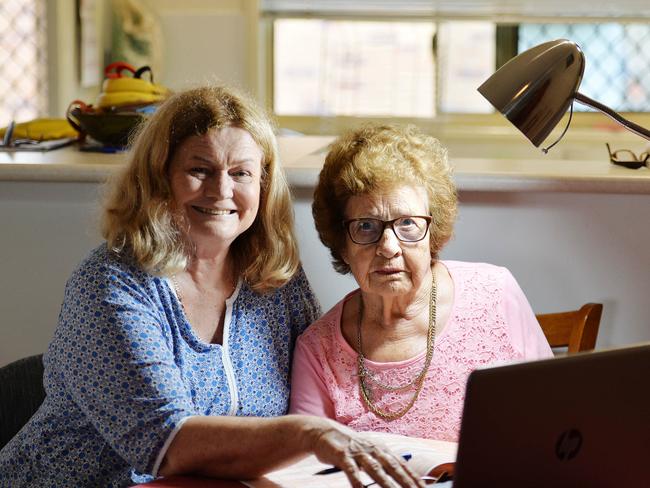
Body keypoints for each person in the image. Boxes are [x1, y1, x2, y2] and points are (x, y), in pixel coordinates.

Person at [0, 88, 425, 488]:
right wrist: (310, 434)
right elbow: (166, 445)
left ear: (262, 184)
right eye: (199, 169)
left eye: (241, 173)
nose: (222, 190)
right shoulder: (112, 285)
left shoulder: (276, 279)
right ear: (160, 178)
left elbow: (321, 375)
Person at [290, 124, 553, 441]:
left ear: (433, 232)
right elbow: (307, 471)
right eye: (366, 226)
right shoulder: (318, 352)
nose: (388, 247)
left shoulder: (496, 292)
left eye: (408, 224)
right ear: (342, 244)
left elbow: (555, 417)